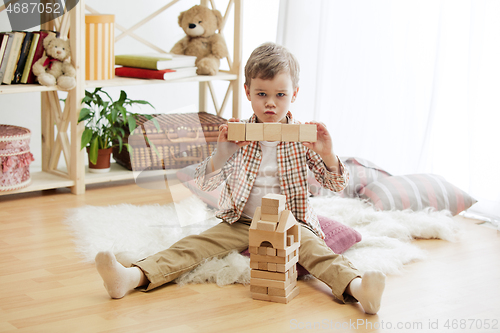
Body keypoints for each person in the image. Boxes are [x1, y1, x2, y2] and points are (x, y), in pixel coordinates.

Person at [95, 42, 385, 314]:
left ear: (294, 94)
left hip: (290, 222)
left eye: (280, 95)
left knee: (317, 253)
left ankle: (359, 289)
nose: (270, 103)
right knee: (192, 245)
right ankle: (132, 277)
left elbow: (336, 184)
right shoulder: (235, 133)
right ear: (247, 92)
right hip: (242, 221)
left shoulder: (302, 137)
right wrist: (221, 155)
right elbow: (204, 184)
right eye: (262, 94)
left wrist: (329, 154)